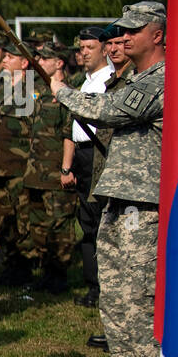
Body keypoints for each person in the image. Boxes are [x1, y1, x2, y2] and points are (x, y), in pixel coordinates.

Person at [51, 1, 168, 357]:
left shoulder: (162, 77)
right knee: (115, 292)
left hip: (146, 202)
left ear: (157, 34)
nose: (125, 37)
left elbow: (109, 112)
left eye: (135, 30)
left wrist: (61, 90)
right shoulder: (132, 78)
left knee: (140, 294)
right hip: (118, 196)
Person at [20, 42, 78, 293]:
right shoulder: (39, 91)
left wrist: (65, 169)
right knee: (39, 226)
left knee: (60, 226)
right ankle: (45, 271)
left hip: (55, 171)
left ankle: (59, 275)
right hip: (35, 171)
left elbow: (69, 134)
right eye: (39, 58)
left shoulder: (68, 93)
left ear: (60, 63)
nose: (39, 62)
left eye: (45, 59)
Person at [72, 27, 114, 307]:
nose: (84, 52)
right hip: (81, 155)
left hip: (97, 154)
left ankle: (104, 286)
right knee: (87, 222)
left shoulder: (108, 81)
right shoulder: (85, 82)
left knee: (100, 221)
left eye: (90, 47)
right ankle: (92, 285)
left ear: (104, 49)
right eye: (81, 48)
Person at [0, 38, 34, 287]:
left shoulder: (32, 89)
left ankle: (26, 269)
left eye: (10, 56)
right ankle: (10, 265)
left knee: (23, 220)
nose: (4, 59)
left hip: (21, 167)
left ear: (24, 61)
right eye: (4, 56)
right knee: (3, 219)